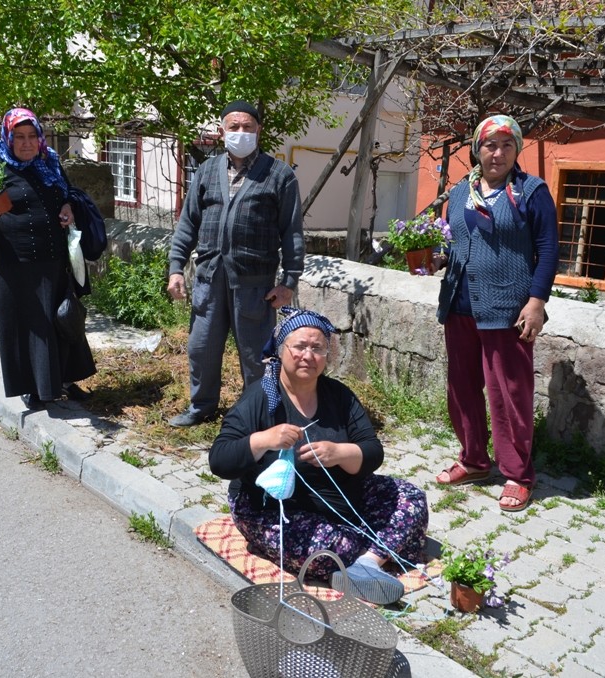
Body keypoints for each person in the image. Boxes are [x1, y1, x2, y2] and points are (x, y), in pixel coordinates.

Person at [210, 308, 429, 605]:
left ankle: (366, 563)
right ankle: (367, 551)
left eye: (317, 348)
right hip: (272, 510)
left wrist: (339, 452)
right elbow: (220, 459)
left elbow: (372, 451)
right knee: (324, 546)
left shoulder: (339, 395)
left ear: (327, 355)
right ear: (281, 350)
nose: (308, 356)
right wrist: (264, 440)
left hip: (341, 500)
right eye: (299, 346)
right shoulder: (260, 398)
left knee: (411, 499)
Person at [431, 114, 559, 512]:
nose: (497, 153)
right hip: (459, 304)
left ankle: (518, 474)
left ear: (517, 150)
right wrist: (436, 257)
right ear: (477, 149)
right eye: (490, 145)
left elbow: (548, 249)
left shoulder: (530, 192)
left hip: (508, 309)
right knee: (462, 387)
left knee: (509, 394)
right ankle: (474, 460)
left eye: (506, 145)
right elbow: (453, 242)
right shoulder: (459, 193)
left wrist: (536, 302)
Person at [167, 100, 304, 427]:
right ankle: (201, 407)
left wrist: (289, 281)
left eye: (247, 127)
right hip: (209, 279)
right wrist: (175, 268)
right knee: (201, 348)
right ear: (221, 131)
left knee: (257, 355)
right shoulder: (207, 171)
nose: (241, 132)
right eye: (234, 127)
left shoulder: (279, 175)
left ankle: (257, 416)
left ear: (259, 130)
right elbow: (188, 224)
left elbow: (292, 231)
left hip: (254, 284)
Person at [0, 107, 97, 410]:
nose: (26, 143)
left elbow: (67, 193)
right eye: (19, 137)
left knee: (61, 319)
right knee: (28, 325)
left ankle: (66, 380)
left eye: (31, 136)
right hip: (16, 263)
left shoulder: (49, 161)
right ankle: (33, 388)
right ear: (8, 138)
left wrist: (68, 206)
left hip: (54, 259)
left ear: (39, 137)